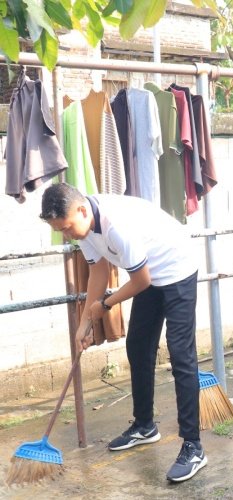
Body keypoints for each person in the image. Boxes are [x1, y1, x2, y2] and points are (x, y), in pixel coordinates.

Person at [40, 182, 206, 482]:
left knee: (180, 353)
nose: (66, 235)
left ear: (81, 209)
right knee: (138, 346)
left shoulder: (116, 225)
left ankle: (193, 446)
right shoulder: (84, 226)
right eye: (60, 231)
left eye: (66, 228)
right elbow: (98, 272)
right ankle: (145, 426)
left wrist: (104, 305)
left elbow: (139, 281)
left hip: (176, 267)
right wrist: (84, 324)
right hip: (150, 275)